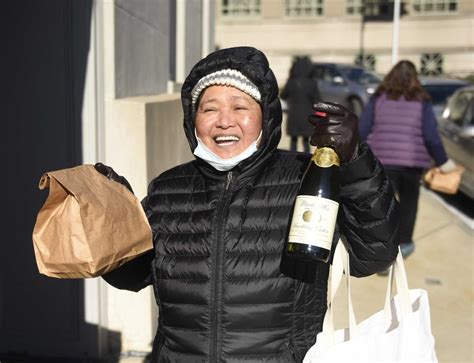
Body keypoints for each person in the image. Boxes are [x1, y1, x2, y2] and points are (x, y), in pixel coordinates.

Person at [97, 46, 399, 362]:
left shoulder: (304, 179)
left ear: (265, 116)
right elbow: (131, 276)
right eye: (209, 109)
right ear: (192, 119)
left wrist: (355, 161)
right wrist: (116, 216)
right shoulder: (168, 189)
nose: (224, 121)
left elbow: (374, 255)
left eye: (240, 106)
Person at [359, 60, 456, 260]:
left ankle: (381, 250)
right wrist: (444, 162)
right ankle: (403, 245)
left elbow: (362, 129)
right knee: (409, 205)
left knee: (383, 206)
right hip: (412, 163)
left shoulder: (380, 98)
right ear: (414, 79)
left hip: (383, 161)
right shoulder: (422, 100)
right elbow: (431, 136)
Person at [281, 56, 321, 153]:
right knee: (306, 141)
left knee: (293, 141)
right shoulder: (311, 83)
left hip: (294, 113)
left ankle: (291, 160)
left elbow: (283, 95)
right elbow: (317, 99)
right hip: (307, 114)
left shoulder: (291, 82)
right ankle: (306, 161)